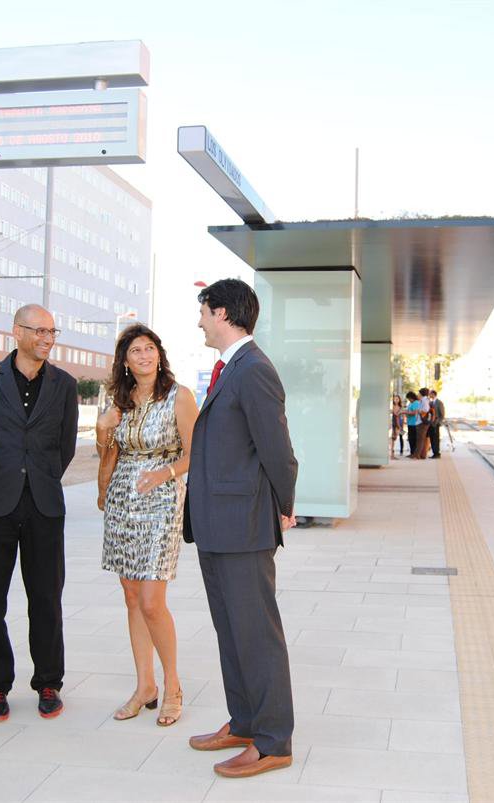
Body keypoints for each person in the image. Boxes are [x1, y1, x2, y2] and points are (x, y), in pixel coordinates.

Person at [185, 278, 298, 780]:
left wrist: (284, 505)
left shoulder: (254, 370)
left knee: (256, 636)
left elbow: (278, 451)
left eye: (204, 312)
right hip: (216, 526)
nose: (200, 321)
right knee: (231, 633)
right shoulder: (230, 368)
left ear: (223, 313)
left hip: (243, 527)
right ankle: (246, 723)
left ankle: (273, 741)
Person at [0, 304, 79, 722]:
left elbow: (65, 446)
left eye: (52, 331)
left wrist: (39, 478)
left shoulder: (64, 384)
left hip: (44, 505)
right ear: (17, 332)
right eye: (39, 331)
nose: (47, 339)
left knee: (46, 598)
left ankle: (48, 681)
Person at [96, 324, 199, 727]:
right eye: (136, 350)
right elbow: (107, 453)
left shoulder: (179, 396)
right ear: (125, 360)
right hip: (122, 498)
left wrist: (164, 473)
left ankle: (173, 686)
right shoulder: (119, 401)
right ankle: (145, 686)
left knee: (153, 601)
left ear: (159, 354)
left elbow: (197, 451)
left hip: (161, 499)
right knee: (132, 596)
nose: (144, 355)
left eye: (150, 348)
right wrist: (103, 428)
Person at [404, 391, 423, 459]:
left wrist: (405, 412)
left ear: (412, 397)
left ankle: (415, 453)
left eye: (409, 398)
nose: (409, 400)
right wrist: (406, 412)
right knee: (410, 439)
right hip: (410, 423)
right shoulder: (410, 403)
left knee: (414, 439)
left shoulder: (416, 403)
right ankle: (412, 452)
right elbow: (408, 411)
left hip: (414, 423)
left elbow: (414, 413)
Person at [427, 390, 445, 459]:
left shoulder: (439, 402)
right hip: (431, 423)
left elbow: (442, 414)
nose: (429, 395)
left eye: (430, 394)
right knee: (432, 438)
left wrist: (438, 422)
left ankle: (437, 453)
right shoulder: (431, 402)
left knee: (436, 439)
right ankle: (434, 453)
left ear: (433, 394)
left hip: (436, 424)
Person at [416, 388, 432, 458]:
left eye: (419, 393)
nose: (418, 394)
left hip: (422, 422)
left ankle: (418, 455)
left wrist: (419, 411)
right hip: (421, 421)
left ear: (421, 393)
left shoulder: (424, 400)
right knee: (422, 439)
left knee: (420, 439)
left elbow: (426, 409)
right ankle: (422, 455)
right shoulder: (423, 400)